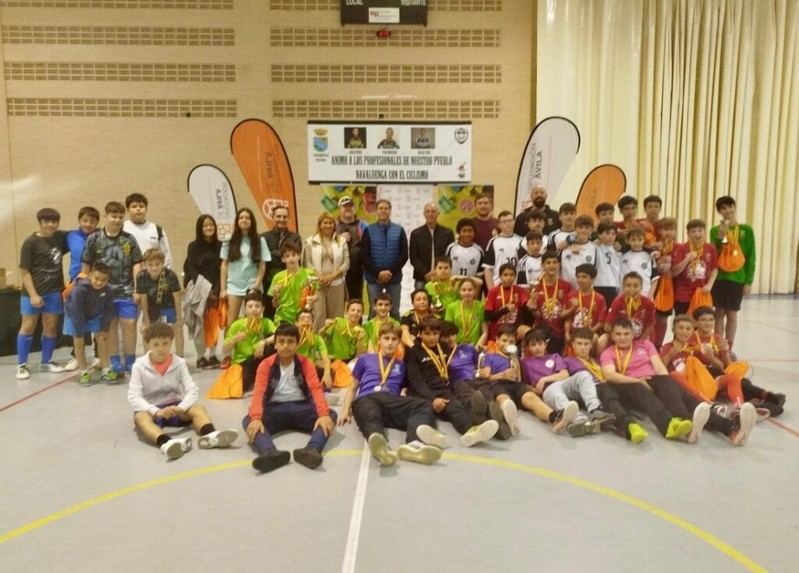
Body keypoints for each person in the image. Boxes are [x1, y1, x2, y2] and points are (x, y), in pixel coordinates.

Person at [601, 319, 755, 445]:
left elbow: (659, 367)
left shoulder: (645, 345)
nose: (622, 337)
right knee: (648, 392)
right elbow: (610, 375)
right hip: (630, 385)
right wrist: (638, 381)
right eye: (618, 334)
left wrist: (666, 383)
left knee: (685, 398)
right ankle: (682, 423)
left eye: (626, 334)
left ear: (632, 335)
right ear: (612, 336)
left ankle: (730, 428)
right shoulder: (608, 353)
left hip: (652, 379)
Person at [338, 323, 445, 467]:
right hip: (367, 398)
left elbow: (409, 387)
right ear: (379, 340)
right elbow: (352, 387)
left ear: (399, 342)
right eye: (386, 338)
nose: (390, 343)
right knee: (371, 413)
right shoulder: (365, 359)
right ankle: (380, 446)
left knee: (424, 404)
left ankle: (413, 444)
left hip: (391, 400)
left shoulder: (401, 365)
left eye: (394, 339)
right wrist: (345, 411)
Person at [128, 323, 238, 460]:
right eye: (156, 344)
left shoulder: (179, 363)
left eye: (165, 343)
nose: (161, 348)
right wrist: (155, 411)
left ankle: (211, 435)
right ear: (148, 344)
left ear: (171, 342)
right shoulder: (139, 365)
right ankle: (166, 443)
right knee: (140, 417)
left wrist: (181, 408)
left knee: (198, 408)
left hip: (175, 407)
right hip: (152, 409)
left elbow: (192, 389)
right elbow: (134, 396)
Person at [243, 322, 336, 472]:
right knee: (248, 420)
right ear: (275, 345)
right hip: (274, 410)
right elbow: (259, 393)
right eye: (281, 341)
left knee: (330, 415)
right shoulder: (265, 365)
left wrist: (323, 414)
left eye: (290, 342)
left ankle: (312, 450)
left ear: (297, 345)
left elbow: (315, 389)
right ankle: (269, 453)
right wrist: (256, 418)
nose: (286, 346)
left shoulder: (306, 363)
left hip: (301, 408)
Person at [405, 317, 499, 446]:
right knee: (426, 411)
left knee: (456, 407)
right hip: (423, 391)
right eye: (427, 334)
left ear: (439, 334)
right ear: (419, 334)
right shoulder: (413, 352)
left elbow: (463, 354)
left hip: (442, 388)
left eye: (435, 334)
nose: (431, 337)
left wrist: (482, 356)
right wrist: (433, 399)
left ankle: (470, 433)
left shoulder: (443, 347)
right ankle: (418, 440)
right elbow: (416, 381)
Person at [477, 324, 578, 436]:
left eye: (511, 342)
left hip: (516, 385)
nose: (507, 344)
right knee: (504, 399)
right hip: (498, 385)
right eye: (504, 340)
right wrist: (502, 375)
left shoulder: (516, 359)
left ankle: (555, 417)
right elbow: (486, 377)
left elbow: (521, 379)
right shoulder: (490, 356)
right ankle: (509, 421)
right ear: (497, 340)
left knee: (531, 398)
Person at [82, 201, 143, 376]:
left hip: (126, 291)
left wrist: (137, 289)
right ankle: (115, 361)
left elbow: (137, 264)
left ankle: (130, 360)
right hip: (102, 293)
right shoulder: (94, 239)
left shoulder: (129, 239)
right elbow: (86, 265)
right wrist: (87, 289)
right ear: (106, 216)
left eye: (120, 217)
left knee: (129, 324)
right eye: (113, 216)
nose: (117, 220)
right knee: (110, 327)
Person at [690, 307, 785, 415]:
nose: (708, 323)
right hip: (703, 379)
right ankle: (767, 397)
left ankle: (762, 402)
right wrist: (711, 358)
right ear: (695, 322)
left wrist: (725, 352)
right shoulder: (691, 338)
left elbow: (727, 366)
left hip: (720, 375)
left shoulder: (717, 338)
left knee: (742, 379)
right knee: (736, 380)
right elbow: (715, 368)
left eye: (711, 320)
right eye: (703, 320)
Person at [520, 329, 615, 437]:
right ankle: (578, 420)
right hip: (548, 390)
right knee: (553, 391)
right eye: (533, 345)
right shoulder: (525, 363)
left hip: (564, 384)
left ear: (545, 344)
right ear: (528, 347)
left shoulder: (555, 356)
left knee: (583, 374)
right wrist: (535, 390)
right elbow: (525, 385)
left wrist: (544, 379)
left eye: (540, 344)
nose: (537, 348)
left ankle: (596, 409)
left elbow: (564, 374)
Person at [568, 327, 649, 443]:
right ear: (573, 345)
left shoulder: (597, 360)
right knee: (606, 391)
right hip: (591, 392)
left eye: (586, 344)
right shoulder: (568, 361)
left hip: (607, 388)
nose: (583, 347)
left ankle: (627, 416)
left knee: (630, 386)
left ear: (591, 345)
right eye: (579, 344)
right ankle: (629, 426)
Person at [16, 208, 69, 379]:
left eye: (54, 221)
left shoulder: (60, 237)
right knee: (28, 326)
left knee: (51, 327)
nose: (50, 225)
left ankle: (46, 361)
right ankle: (21, 365)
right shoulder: (30, 242)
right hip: (32, 292)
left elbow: (82, 232)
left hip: (53, 292)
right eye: (46, 221)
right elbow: (24, 270)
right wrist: (33, 294)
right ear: (40, 223)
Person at [710, 195, 756, 347]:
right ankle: (718, 346)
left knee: (732, 313)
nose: (727, 210)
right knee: (719, 313)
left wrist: (748, 281)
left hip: (737, 278)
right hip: (720, 277)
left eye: (730, 206)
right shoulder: (715, 230)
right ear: (719, 212)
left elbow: (751, 256)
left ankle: (728, 347)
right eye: (723, 208)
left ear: (734, 207)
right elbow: (715, 253)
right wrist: (721, 237)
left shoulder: (746, 230)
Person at [64, 263, 116, 385]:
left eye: (103, 280)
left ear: (108, 280)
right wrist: (79, 333)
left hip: (94, 314)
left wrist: (104, 329)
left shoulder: (108, 290)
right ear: (90, 275)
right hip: (75, 315)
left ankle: (106, 370)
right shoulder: (80, 289)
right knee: (79, 342)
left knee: (102, 338)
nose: (99, 282)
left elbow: (109, 310)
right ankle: (84, 372)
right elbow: (76, 311)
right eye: (96, 278)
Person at [64, 205, 101, 372]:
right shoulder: (70, 236)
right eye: (85, 220)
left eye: (92, 221)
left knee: (97, 319)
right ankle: (76, 356)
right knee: (77, 319)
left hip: (97, 283)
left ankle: (99, 355)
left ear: (97, 223)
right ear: (79, 220)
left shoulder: (100, 236)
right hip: (76, 283)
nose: (88, 224)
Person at [183, 214, 223, 369]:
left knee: (213, 323)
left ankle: (212, 354)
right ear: (200, 228)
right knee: (199, 325)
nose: (208, 227)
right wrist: (204, 289)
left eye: (211, 225)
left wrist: (216, 290)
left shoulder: (220, 246)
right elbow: (191, 269)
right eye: (205, 225)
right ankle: (201, 357)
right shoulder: (193, 246)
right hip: (199, 289)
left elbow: (221, 269)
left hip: (214, 290)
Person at [218, 291, 276, 395]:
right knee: (240, 386)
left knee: (273, 347)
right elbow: (224, 350)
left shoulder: (266, 322)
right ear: (245, 309)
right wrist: (234, 339)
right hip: (242, 362)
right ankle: (255, 380)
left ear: (262, 309)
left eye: (257, 306)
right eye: (250, 306)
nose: (254, 309)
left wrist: (263, 342)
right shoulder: (237, 325)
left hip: (259, 356)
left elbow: (278, 335)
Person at [220, 207, 269, 328]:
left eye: (247, 218)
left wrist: (256, 286)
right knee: (231, 324)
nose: (244, 220)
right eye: (241, 218)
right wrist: (223, 289)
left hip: (253, 286)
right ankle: (231, 342)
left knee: (253, 322)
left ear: (252, 221)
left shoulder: (260, 240)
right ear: (237, 221)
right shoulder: (229, 240)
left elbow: (262, 265)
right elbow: (224, 265)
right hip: (233, 287)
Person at [361, 199, 408, 319]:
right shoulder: (368, 230)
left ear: (390, 210)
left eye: (386, 208)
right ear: (376, 211)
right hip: (374, 279)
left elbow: (404, 255)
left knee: (394, 312)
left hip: (394, 278)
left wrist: (390, 272)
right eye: (380, 208)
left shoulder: (399, 230)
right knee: (373, 312)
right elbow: (364, 256)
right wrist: (378, 273)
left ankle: (395, 332)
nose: (383, 211)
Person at [302, 212, 349, 331]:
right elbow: (307, 263)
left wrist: (331, 277)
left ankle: (334, 340)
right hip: (317, 284)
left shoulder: (341, 241)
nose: (328, 225)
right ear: (320, 225)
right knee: (319, 316)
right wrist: (320, 277)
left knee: (336, 317)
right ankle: (319, 340)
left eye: (331, 223)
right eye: (325, 223)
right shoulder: (310, 241)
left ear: (334, 225)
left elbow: (346, 263)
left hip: (336, 283)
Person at [137, 248, 184, 357]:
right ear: (145, 265)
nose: (154, 268)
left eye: (157, 264)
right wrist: (146, 320)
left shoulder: (170, 275)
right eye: (150, 265)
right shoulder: (141, 276)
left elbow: (177, 298)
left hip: (169, 307)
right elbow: (143, 300)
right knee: (146, 330)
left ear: (162, 263)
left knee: (178, 329)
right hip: (152, 309)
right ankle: (148, 357)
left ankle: (180, 356)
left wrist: (179, 318)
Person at [526, 252, 572, 353]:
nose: (552, 265)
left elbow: (566, 314)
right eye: (548, 262)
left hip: (560, 331)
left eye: (555, 262)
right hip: (542, 332)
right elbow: (538, 316)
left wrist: (567, 332)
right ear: (542, 265)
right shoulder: (536, 286)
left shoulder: (566, 286)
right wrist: (532, 309)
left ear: (559, 265)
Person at [260, 205, 301, 318]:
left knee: (291, 313)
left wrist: (272, 252)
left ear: (288, 218)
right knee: (269, 314)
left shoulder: (295, 237)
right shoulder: (264, 237)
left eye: (284, 217)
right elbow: (264, 259)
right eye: (278, 216)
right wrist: (283, 253)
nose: (281, 219)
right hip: (269, 283)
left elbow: (295, 256)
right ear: (272, 217)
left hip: (291, 282)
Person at [671, 219, 717, 316]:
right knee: (682, 321)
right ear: (688, 234)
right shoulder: (682, 248)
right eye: (693, 231)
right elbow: (675, 272)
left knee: (701, 321)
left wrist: (709, 285)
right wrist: (686, 260)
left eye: (700, 230)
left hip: (702, 292)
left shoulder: (710, 248)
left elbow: (714, 269)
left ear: (704, 232)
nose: (697, 234)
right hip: (683, 294)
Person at [268, 242, 317, 327]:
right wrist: (276, 296)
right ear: (283, 259)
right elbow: (275, 305)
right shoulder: (278, 277)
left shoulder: (309, 274)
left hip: (303, 315)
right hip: (283, 316)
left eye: (294, 255)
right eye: (287, 256)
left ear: (299, 256)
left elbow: (316, 295)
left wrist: (312, 299)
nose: (291, 259)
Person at [409, 202, 455, 290]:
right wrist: (426, 273)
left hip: (442, 277)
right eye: (428, 212)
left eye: (433, 211)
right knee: (420, 299)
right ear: (424, 214)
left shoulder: (447, 233)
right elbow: (414, 258)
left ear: (438, 214)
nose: (430, 214)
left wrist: (438, 272)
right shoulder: (416, 233)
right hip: (421, 277)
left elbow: (449, 256)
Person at [564, 263, 608, 353]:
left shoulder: (599, 298)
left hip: (591, 334)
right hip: (574, 334)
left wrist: (590, 332)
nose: (580, 280)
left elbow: (600, 322)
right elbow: (567, 319)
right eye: (578, 277)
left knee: (595, 337)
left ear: (593, 279)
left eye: (584, 277)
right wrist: (567, 333)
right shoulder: (571, 296)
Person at [123, 193, 172, 269]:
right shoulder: (122, 229)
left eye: (141, 206)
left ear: (146, 209)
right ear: (127, 210)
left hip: (152, 273)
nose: (138, 209)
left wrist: (167, 273)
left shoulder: (157, 229)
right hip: (127, 274)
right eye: (134, 206)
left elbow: (166, 256)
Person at [605, 272, 656, 341]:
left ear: (641, 287)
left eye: (636, 286)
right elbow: (607, 327)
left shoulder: (648, 303)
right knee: (604, 338)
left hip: (641, 338)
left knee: (648, 340)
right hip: (621, 339)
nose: (632, 289)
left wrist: (641, 341)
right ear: (623, 287)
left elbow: (650, 325)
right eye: (628, 286)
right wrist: (619, 338)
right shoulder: (617, 302)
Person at [651, 217, 678, 349]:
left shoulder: (679, 247)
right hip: (655, 285)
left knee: (663, 319)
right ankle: (650, 346)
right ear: (660, 231)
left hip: (671, 286)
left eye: (672, 229)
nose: (669, 232)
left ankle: (658, 346)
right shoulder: (654, 246)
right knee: (653, 317)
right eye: (666, 229)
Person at [485, 263, 528, 342]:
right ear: (500, 276)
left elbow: (526, 305)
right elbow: (488, 316)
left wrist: (531, 304)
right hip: (497, 333)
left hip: (514, 332)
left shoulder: (520, 290)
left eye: (511, 275)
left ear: (515, 276)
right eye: (505, 275)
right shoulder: (493, 291)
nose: (509, 277)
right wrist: (505, 310)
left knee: (528, 331)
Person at [336, 196, 368, 300]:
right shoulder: (332, 226)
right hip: (337, 273)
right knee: (338, 301)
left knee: (356, 301)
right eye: (345, 206)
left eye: (350, 206)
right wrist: (339, 239)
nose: (348, 208)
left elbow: (369, 247)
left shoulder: (363, 226)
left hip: (357, 272)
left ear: (354, 208)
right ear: (340, 209)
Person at [483, 210, 524, 287]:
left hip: (517, 285)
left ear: (514, 222)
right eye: (504, 221)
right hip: (498, 285)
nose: (508, 223)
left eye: (510, 220)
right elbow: (488, 268)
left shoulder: (522, 241)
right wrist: (491, 290)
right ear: (499, 225)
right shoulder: (493, 242)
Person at [444, 278, 487, 346]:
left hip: (475, 346)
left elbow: (485, 332)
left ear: (475, 291)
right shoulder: (451, 307)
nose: (467, 293)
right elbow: (448, 331)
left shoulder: (480, 307)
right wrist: (454, 347)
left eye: (470, 290)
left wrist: (476, 348)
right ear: (459, 291)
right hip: (456, 345)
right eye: (464, 290)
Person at [559, 214, 598, 288]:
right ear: (575, 229)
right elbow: (559, 248)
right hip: (567, 289)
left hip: (585, 289)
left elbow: (595, 269)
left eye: (587, 228)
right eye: (580, 227)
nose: (583, 230)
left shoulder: (594, 248)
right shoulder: (565, 245)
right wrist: (568, 242)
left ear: (591, 230)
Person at [620, 227, 658, 296]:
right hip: (625, 295)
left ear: (644, 240)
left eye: (640, 240)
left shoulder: (650, 257)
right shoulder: (622, 256)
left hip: (644, 294)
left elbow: (655, 278)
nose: (636, 243)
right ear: (628, 240)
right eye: (633, 240)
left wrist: (650, 296)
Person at [445, 218, 485, 283]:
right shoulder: (451, 248)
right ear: (459, 233)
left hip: (470, 287)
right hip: (452, 285)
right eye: (464, 231)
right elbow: (446, 268)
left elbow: (479, 275)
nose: (467, 234)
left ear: (474, 233)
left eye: (470, 231)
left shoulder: (479, 251)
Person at [593, 222, 621, 306]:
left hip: (613, 286)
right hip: (597, 284)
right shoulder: (595, 247)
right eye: (607, 233)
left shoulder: (618, 251)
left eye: (613, 234)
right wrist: (595, 242)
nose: (610, 237)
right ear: (599, 235)